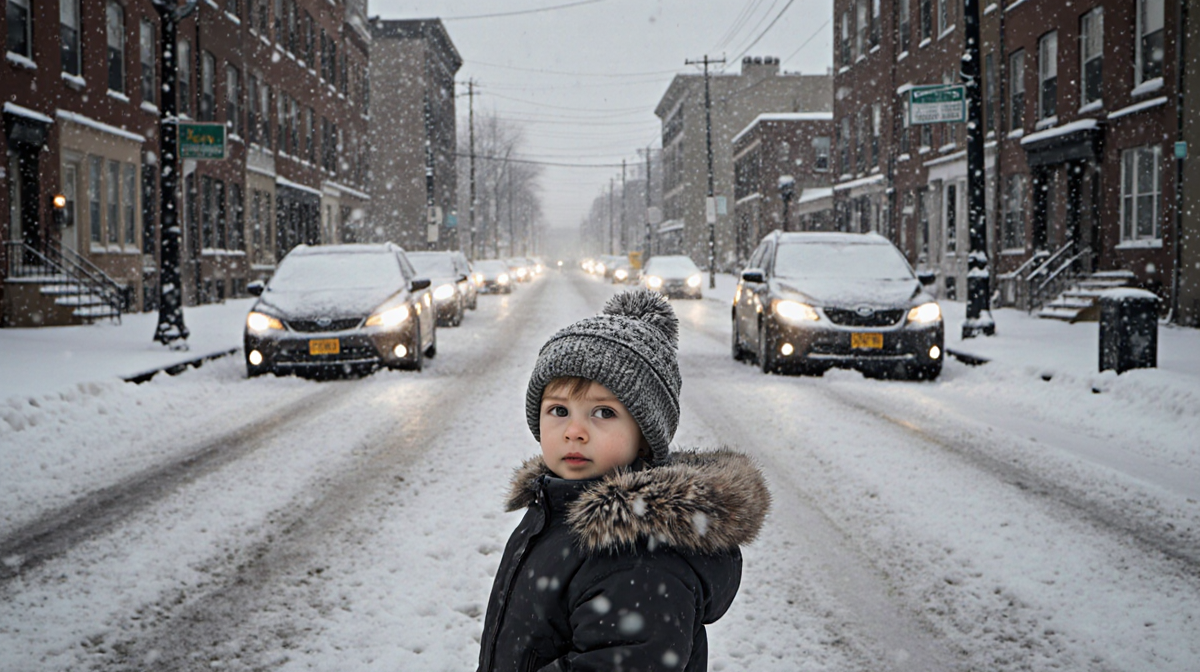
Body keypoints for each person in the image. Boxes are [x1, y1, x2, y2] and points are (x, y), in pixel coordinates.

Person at [477, 289, 771, 672]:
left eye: (603, 412)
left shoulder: (638, 558)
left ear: (645, 438)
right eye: (559, 410)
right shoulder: (557, 504)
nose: (575, 431)